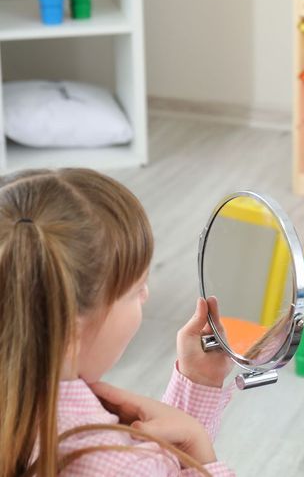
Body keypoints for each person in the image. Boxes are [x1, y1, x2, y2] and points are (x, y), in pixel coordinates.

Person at [0, 168, 236, 476]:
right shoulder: (121, 465)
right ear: (71, 328)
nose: (146, 295)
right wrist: (200, 450)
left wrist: (197, 385)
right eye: (136, 289)